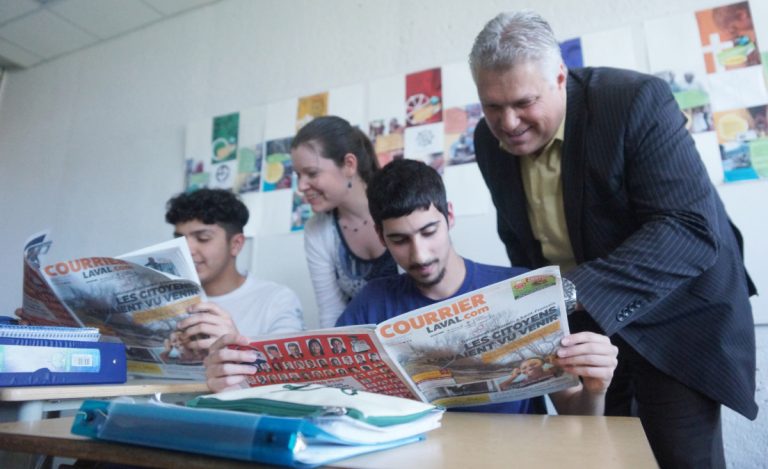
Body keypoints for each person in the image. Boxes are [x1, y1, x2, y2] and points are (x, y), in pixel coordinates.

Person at [469, 11, 757, 468]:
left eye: (523, 102)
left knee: (681, 459)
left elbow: (687, 228)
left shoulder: (634, 101)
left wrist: (566, 294)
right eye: (492, 106)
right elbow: (521, 243)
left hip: (677, 319)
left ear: (560, 77)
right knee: (603, 457)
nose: (508, 123)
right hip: (587, 328)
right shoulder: (487, 143)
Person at [165, 188, 305, 353]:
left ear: (236, 244)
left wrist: (235, 345)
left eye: (203, 238)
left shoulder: (276, 301)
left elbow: (289, 369)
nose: (187, 249)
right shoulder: (167, 300)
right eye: (180, 239)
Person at [291, 116, 398, 328]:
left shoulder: (399, 205)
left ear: (349, 164)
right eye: (298, 175)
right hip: (361, 350)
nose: (301, 186)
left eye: (311, 173)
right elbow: (331, 313)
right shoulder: (318, 230)